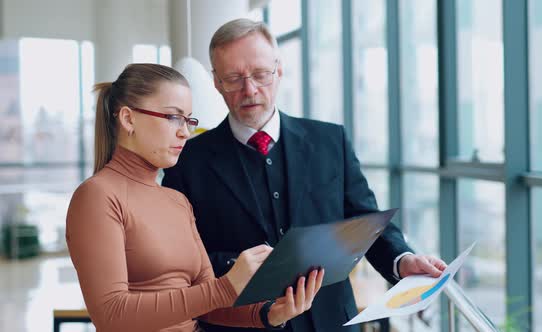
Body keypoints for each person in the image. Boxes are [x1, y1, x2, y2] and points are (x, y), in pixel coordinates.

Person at [162, 19, 447, 332]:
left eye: (260, 74)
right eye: (233, 78)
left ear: (279, 70)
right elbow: (183, 261)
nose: (250, 89)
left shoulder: (330, 141)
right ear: (216, 82)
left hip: (332, 322)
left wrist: (402, 260)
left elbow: (365, 218)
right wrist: (238, 265)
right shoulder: (187, 159)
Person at [66, 63, 324, 332]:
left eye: (188, 120)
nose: (185, 132)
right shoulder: (97, 196)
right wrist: (226, 286)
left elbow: (207, 304)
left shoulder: (178, 202)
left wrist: (268, 313)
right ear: (129, 119)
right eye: (173, 117)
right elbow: (112, 314)